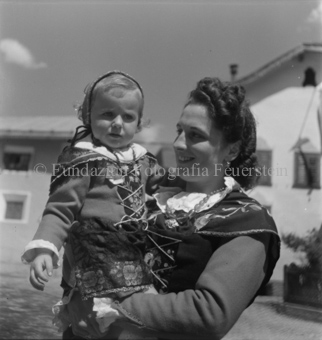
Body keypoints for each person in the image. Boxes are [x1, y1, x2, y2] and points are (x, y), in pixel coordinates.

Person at [76, 76, 280, 339]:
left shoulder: (248, 221)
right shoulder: (149, 194)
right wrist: (80, 303)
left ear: (232, 149)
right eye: (179, 130)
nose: (178, 143)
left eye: (195, 135)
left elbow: (208, 313)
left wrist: (111, 304)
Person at [21, 70, 163, 339]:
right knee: (89, 326)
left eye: (128, 117)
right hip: (93, 259)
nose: (118, 123)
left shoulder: (143, 161)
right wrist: (44, 251)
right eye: (108, 114)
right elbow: (60, 209)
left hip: (133, 260)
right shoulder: (84, 160)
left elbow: (165, 185)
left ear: (139, 123)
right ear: (88, 117)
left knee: (132, 325)